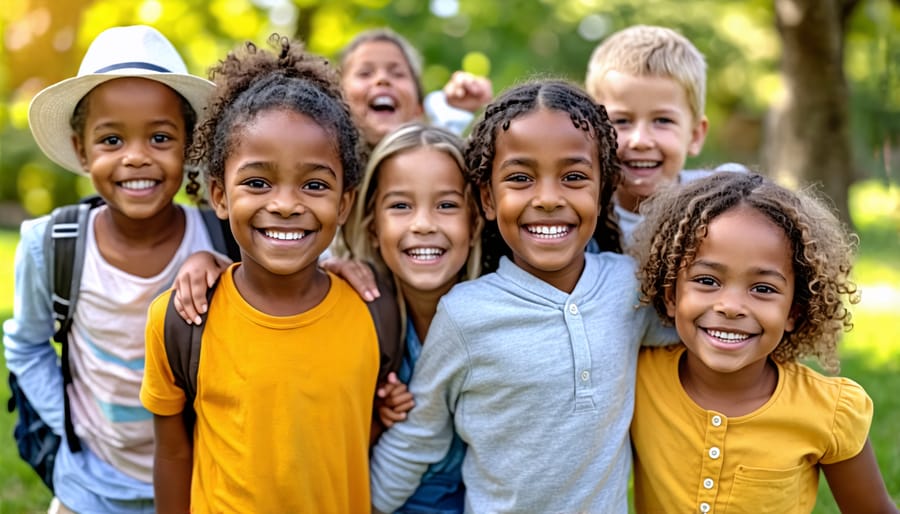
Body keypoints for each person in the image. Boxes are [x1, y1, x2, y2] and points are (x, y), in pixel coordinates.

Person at [369, 79, 677, 513]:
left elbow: (704, 329)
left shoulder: (630, 287)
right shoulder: (464, 314)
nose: (548, 198)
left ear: (603, 188)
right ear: (488, 199)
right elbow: (420, 435)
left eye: (573, 177)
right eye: (520, 178)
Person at [139, 34, 384, 513]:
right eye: (257, 182)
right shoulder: (180, 320)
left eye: (314, 184)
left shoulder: (373, 310)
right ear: (220, 195)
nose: (286, 205)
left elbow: (346, 434)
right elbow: (171, 453)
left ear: (344, 203)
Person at [2, 25, 216, 514]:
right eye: (112, 139)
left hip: (201, 478)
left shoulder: (222, 241)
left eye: (161, 137)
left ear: (189, 147)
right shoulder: (50, 246)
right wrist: (70, 425)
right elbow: (26, 345)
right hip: (90, 488)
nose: (136, 156)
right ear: (82, 151)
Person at [629, 171, 899, 513]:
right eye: (708, 280)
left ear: (794, 311)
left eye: (763, 289)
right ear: (671, 294)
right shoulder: (638, 379)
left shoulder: (828, 411)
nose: (730, 307)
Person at [339, 122, 483, 513]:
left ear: (474, 224)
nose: (423, 224)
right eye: (401, 206)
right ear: (372, 227)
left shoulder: (498, 317)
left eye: (447, 205)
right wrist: (377, 418)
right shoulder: (355, 312)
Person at [585, 24, 744, 246]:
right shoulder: (583, 217)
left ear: (695, 135)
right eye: (621, 121)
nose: (640, 141)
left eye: (662, 121)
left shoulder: (722, 203)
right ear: (594, 132)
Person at [339, 27, 492, 147]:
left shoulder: (441, 161)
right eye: (365, 73)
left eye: (398, 73)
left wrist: (466, 111)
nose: (382, 79)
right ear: (339, 100)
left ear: (418, 108)